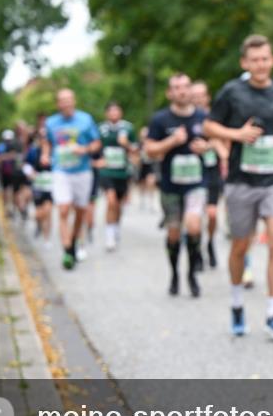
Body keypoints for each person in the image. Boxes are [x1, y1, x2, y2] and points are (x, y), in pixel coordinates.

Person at [204, 34, 273, 340]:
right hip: (240, 181)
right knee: (240, 246)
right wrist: (236, 134)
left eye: (265, 59)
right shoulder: (232, 91)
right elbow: (209, 126)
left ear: (272, 60)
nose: (260, 64)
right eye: (254, 60)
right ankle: (237, 304)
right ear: (245, 63)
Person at [146, 73, 208, 297]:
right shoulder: (160, 120)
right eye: (176, 87)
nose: (182, 91)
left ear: (191, 90)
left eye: (185, 87)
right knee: (173, 233)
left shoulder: (204, 117)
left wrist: (206, 146)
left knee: (193, 226)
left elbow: (218, 142)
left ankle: (192, 274)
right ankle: (174, 274)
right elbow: (150, 149)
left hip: (196, 183)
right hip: (170, 186)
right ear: (169, 93)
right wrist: (172, 141)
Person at [41, 88, 101, 270]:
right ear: (58, 104)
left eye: (69, 99)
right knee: (64, 209)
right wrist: (45, 154)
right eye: (62, 100)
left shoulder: (85, 119)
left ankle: (74, 241)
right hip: (61, 171)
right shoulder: (51, 123)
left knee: (80, 212)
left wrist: (84, 150)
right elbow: (47, 142)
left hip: (82, 172)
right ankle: (67, 250)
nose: (66, 103)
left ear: (74, 101)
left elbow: (97, 143)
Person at [191, 80, 230, 269]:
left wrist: (214, 146)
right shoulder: (185, 119)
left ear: (207, 97)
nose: (198, 99)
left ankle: (210, 243)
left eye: (201, 95)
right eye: (194, 95)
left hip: (212, 172)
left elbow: (225, 147)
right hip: (192, 174)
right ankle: (196, 250)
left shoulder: (216, 120)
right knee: (194, 217)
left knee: (212, 214)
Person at [97, 102, 138, 252]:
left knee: (119, 205)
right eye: (111, 111)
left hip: (122, 172)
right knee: (111, 201)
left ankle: (115, 228)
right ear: (107, 113)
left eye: (117, 110)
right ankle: (109, 236)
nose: (114, 113)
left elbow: (135, 149)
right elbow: (95, 147)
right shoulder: (101, 129)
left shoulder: (128, 128)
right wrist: (97, 160)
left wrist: (126, 144)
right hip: (107, 172)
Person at [23, 123, 54, 247]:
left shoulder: (54, 152)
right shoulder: (33, 152)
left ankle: (47, 239)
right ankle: (37, 222)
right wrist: (31, 173)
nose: (43, 140)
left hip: (50, 187)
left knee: (48, 211)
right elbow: (26, 165)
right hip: (38, 187)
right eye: (41, 137)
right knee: (39, 213)